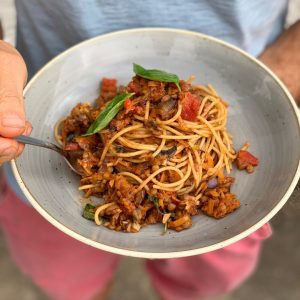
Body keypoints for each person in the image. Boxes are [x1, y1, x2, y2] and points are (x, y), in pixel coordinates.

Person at [0, 1, 299, 299]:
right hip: (40, 83)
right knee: (69, 285)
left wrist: (274, 79)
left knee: (201, 287)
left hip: (257, 58)